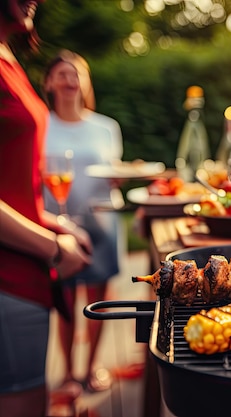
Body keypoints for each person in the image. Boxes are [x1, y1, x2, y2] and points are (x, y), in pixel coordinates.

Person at [0, 1, 92, 416]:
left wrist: (55, 224)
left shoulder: (8, 57)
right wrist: (51, 248)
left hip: (25, 272)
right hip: (7, 279)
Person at [42, 50, 124, 394]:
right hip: (57, 225)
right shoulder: (41, 123)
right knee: (63, 301)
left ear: (85, 83)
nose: (69, 79)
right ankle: (68, 372)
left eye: (75, 74)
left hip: (102, 221)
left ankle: (91, 368)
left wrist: (118, 178)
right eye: (61, 74)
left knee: (98, 301)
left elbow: (114, 171)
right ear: (49, 82)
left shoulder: (106, 127)